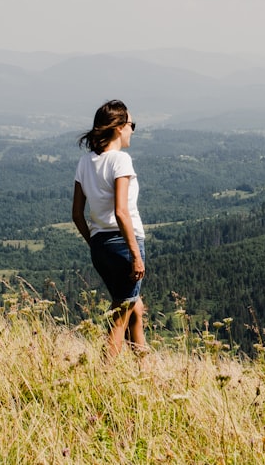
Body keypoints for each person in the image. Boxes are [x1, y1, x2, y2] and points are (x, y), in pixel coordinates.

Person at [71, 99, 148, 360]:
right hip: (124, 243)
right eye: (131, 124)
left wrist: (93, 242)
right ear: (118, 127)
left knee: (134, 308)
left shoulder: (85, 162)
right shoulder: (121, 161)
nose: (132, 131)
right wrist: (135, 255)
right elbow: (121, 211)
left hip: (101, 246)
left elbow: (77, 214)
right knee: (120, 316)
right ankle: (103, 377)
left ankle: (146, 371)